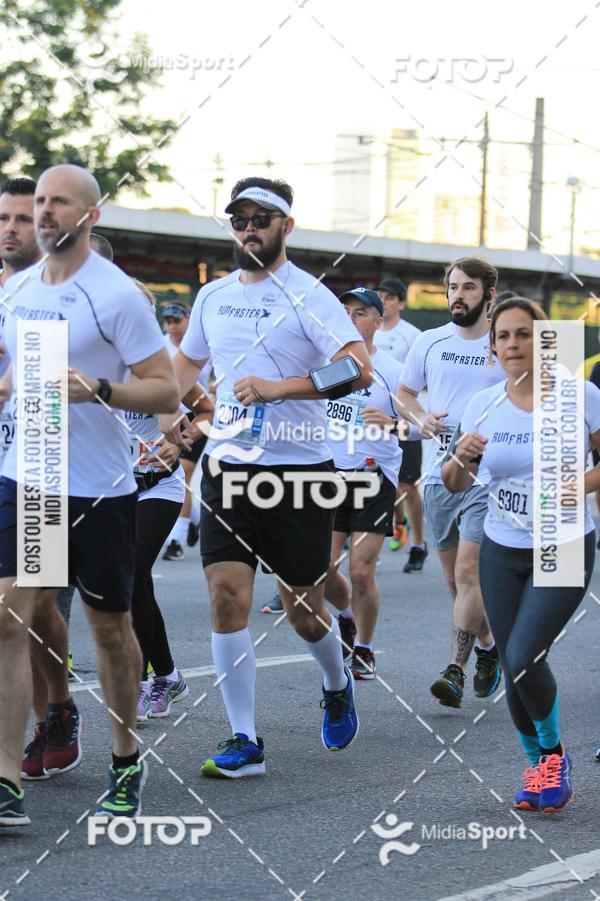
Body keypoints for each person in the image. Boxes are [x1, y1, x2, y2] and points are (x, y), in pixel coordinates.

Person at [160, 176, 371, 777]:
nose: (249, 228)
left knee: (303, 609)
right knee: (227, 595)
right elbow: (185, 366)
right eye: (240, 219)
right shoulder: (214, 296)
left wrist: (281, 388)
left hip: (299, 472)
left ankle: (335, 680)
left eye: (261, 218)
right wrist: (168, 416)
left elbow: (357, 369)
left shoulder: (310, 296)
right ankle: (244, 738)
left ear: (286, 226)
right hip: (229, 467)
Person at [0, 164, 180, 825]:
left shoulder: (117, 295)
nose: (44, 213)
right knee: (7, 616)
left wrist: (101, 389)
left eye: (58, 203)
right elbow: (15, 367)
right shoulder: (17, 291)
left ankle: (126, 754)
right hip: (33, 473)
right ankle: (6, 776)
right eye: (38, 202)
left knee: (109, 631)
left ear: (90, 215)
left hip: (101, 488)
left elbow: (166, 388)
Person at [442, 296, 599, 811]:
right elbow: (453, 481)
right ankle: (537, 764)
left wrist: (576, 486)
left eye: (524, 335)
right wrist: (460, 457)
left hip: (565, 541)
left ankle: (554, 755)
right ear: (493, 347)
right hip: (501, 546)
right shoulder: (481, 404)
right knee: (514, 666)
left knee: (524, 654)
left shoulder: (581, 396)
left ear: (545, 343)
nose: (513, 344)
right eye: (504, 336)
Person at [397, 257, 504, 708]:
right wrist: (420, 417)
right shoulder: (429, 341)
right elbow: (403, 394)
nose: (458, 295)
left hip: (490, 474)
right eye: (453, 287)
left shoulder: (505, 343)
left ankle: (454, 670)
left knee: (467, 572)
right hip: (440, 473)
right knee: (456, 585)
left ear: (488, 295)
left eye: (468, 288)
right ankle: (489, 645)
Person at [125, 283, 213, 721]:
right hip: (114, 488)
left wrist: (183, 443)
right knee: (136, 584)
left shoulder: (162, 366)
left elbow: (209, 411)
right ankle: (169, 674)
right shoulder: (92, 359)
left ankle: (142, 684)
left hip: (159, 485)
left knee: (134, 572)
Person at [324, 287, 404, 680]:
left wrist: (393, 424)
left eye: (360, 313)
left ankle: (365, 649)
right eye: (345, 312)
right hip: (327, 475)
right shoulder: (326, 364)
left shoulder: (393, 369)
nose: (350, 319)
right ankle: (346, 617)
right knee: (319, 570)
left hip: (374, 476)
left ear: (378, 320)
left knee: (359, 572)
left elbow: (424, 427)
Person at [375, 277, 427, 572]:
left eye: (390, 297)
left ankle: (418, 544)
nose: (384, 300)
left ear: (402, 303)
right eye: (380, 295)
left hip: (403, 421)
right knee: (379, 479)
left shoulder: (412, 337)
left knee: (407, 484)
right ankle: (394, 521)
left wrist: (416, 413)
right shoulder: (367, 332)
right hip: (371, 421)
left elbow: (420, 382)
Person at [162, 302, 208, 559]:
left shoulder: (201, 345)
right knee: (170, 475)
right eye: (168, 322)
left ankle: (175, 541)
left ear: (189, 319)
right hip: (165, 416)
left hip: (198, 414)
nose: (172, 328)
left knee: (183, 473)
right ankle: (195, 517)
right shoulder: (161, 347)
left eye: (177, 321)